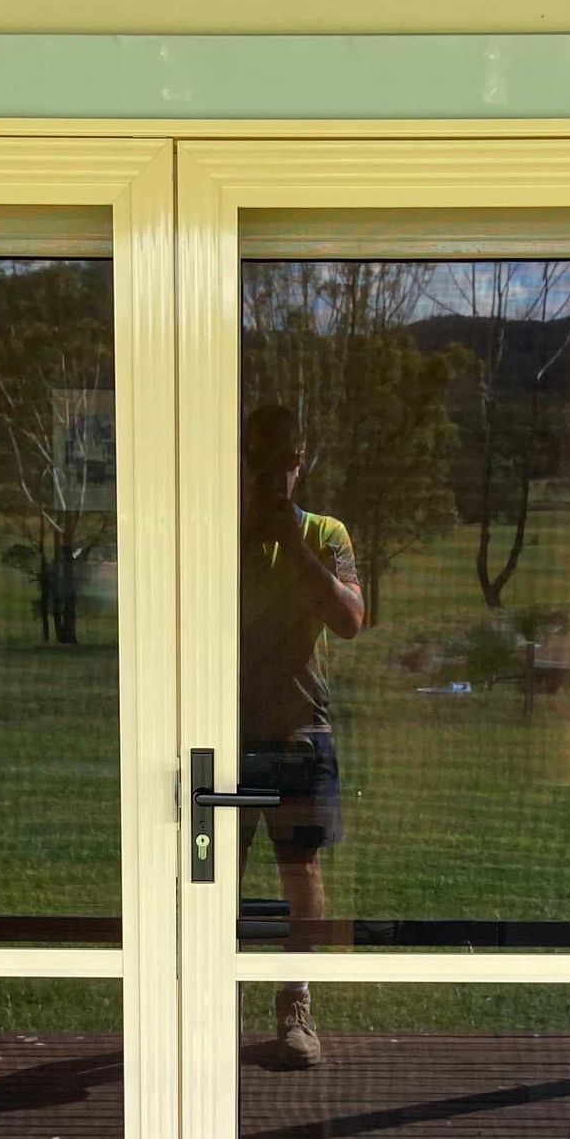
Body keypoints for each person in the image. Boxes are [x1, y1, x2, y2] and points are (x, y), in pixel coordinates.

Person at [237, 403, 364, 1068]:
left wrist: (291, 543)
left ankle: (295, 1003)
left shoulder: (324, 532)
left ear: (301, 459)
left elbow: (349, 619)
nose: (275, 473)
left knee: (301, 871)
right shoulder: (215, 530)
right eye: (260, 458)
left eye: (286, 458)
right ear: (243, 461)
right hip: (219, 734)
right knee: (210, 877)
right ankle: (207, 1004)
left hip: (297, 732)